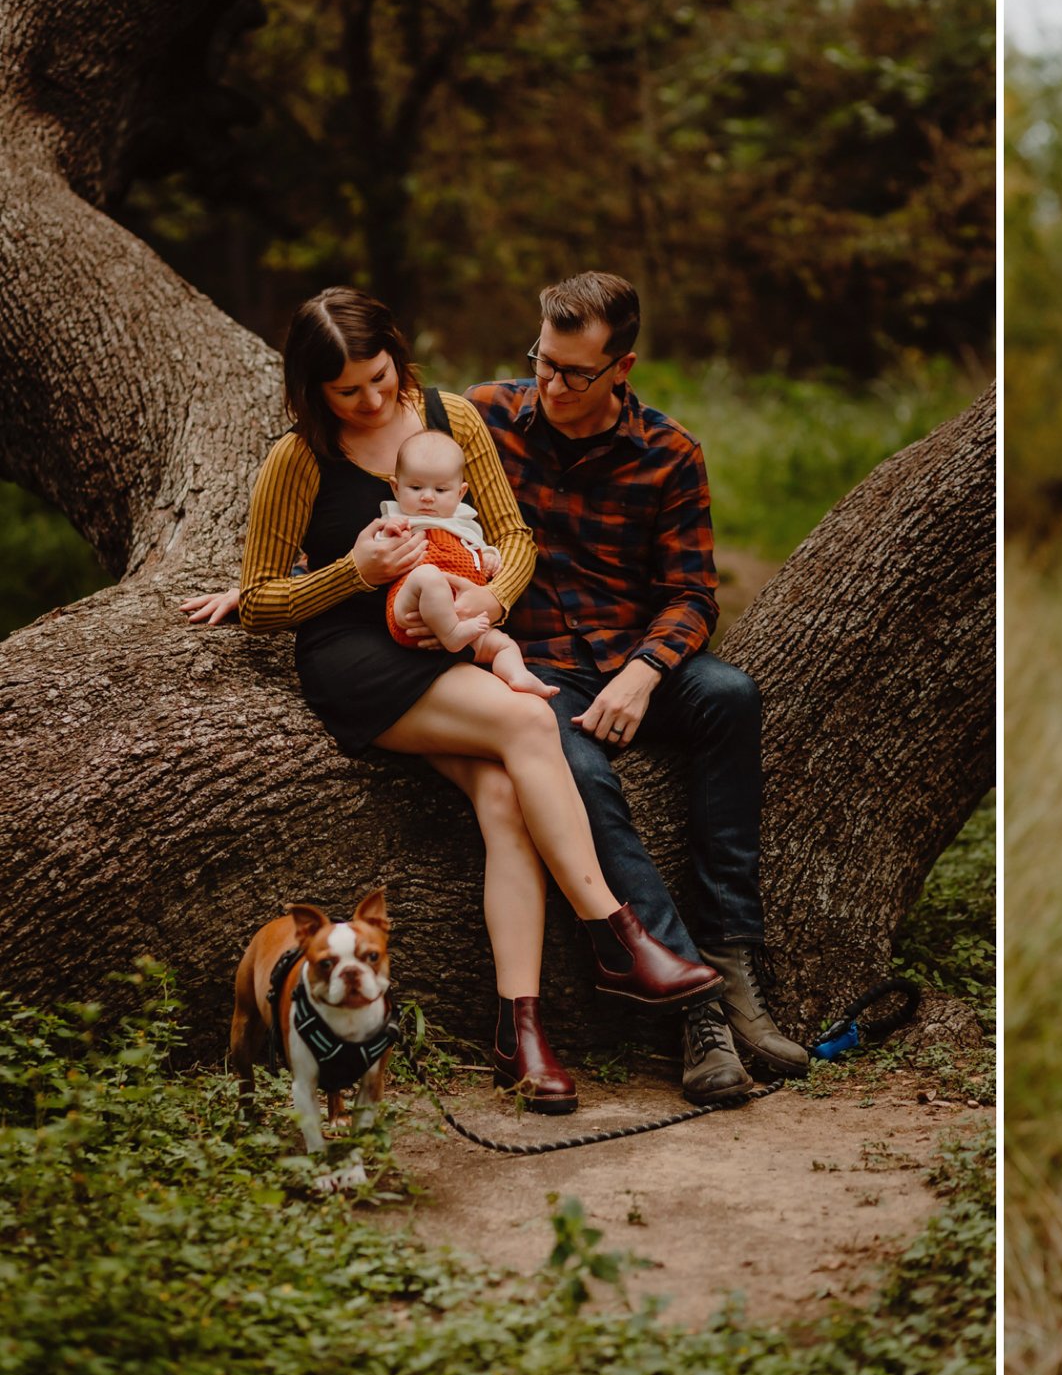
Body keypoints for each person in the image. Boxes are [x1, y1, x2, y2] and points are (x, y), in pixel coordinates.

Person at [219, 287, 722, 1115]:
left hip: (453, 634)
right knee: (528, 717)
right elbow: (264, 598)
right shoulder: (298, 458)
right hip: (358, 659)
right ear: (314, 392)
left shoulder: (452, 420)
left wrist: (491, 604)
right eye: (347, 392)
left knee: (502, 795)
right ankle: (616, 935)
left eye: (379, 377)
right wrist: (354, 574)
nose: (371, 400)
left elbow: (513, 536)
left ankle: (519, 1035)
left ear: (396, 355)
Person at [454, 272, 807, 1096]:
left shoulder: (670, 452)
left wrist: (647, 672)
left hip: (629, 651)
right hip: (534, 664)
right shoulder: (484, 417)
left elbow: (691, 593)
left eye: (575, 373)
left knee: (729, 698)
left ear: (623, 367)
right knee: (576, 774)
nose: (551, 385)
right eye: (542, 361)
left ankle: (733, 958)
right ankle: (697, 1011)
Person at [376, 429, 556, 700]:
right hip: (411, 615)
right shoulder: (400, 521)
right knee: (427, 574)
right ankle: (451, 633)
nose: (427, 497)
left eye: (440, 489)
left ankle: (518, 675)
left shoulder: (463, 526)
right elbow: (380, 552)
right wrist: (390, 535)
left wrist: (489, 557)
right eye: (415, 488)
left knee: (503, 644)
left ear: (460, 493)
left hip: (464, 621)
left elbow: (475, 552)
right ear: (395, 487)